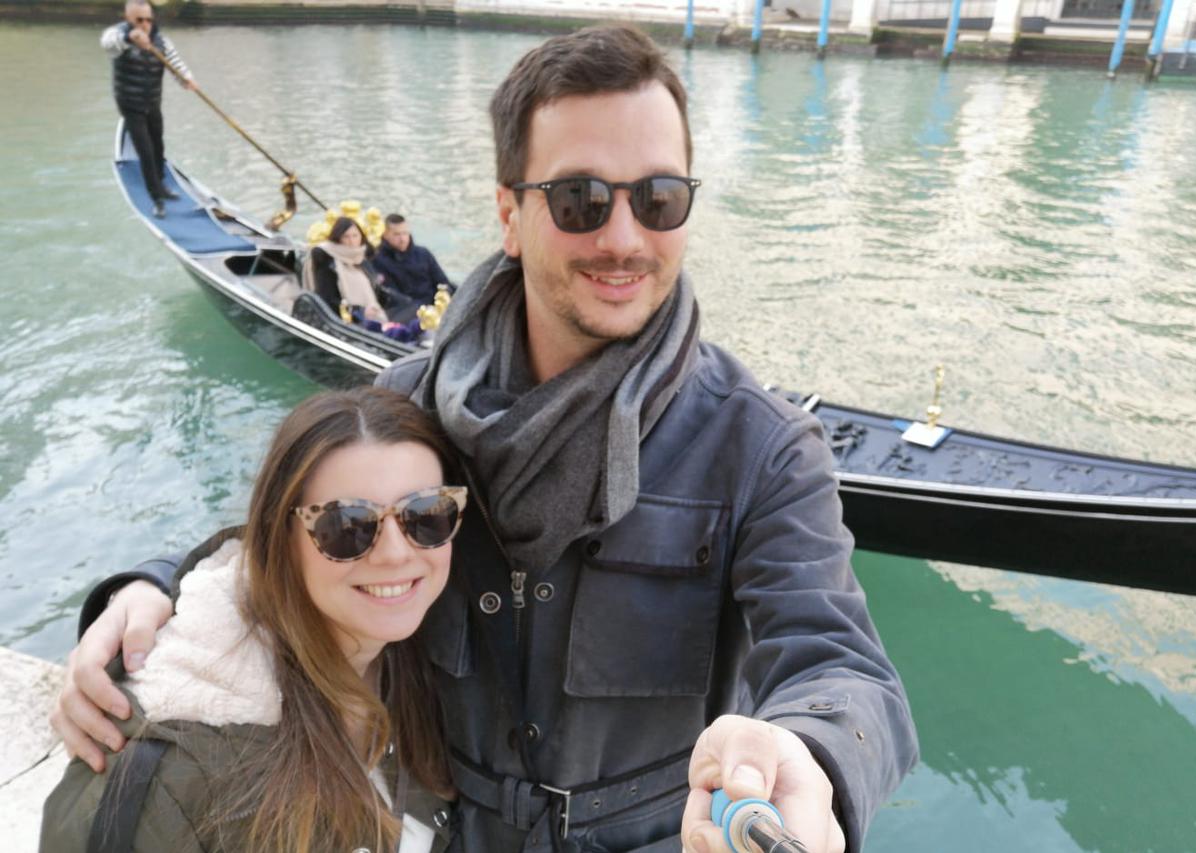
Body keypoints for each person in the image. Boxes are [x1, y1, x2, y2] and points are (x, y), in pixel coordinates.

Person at [53, 25, 919, 853]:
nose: (624, 238)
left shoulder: (762, 447)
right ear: (510, 213)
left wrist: (808, 756)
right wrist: (151, 586)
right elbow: (297, 533)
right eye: (580, 200)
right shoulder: (410, 407)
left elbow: (841, 665)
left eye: (658, 198)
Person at [41, 387, 463, 852]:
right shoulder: (177, 761)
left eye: (428, 514)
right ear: (279, 539)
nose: (396, 554)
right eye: (347, 526)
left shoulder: (424, 659)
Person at [100, 0, 197, 220]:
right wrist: (129, 37)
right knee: (144, 151)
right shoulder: (117, 36)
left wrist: (186, 79)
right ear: (128, 19)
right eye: (139, 20)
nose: (145, 24)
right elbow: (107, 43)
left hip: (152, 101)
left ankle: (161, 184)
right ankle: (156, 199)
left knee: (157, 145)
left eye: (148, 20)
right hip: (130, 104)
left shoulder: (161, 41)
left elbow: (176, 64)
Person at [307, 216, 420, 327]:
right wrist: (360, 311)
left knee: (414, 308)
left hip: (374, 311)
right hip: (349, 319)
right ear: (338, 239)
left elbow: (376, 290)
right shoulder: (328, 262)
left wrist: (402, 300)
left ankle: (390, 327)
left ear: (361, 237)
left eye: (355, 236)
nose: (352, 241)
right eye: (346, 237)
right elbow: (327, 299)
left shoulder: (362, 260)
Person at [373, 213, 453, 301]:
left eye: (405, 233)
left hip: (435, 301)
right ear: (385, 235)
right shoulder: (378, 260)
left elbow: (443, 282)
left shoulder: (423, 254)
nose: (402, 239)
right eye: (397, 234)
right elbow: (392, 296)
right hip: (406, 306)